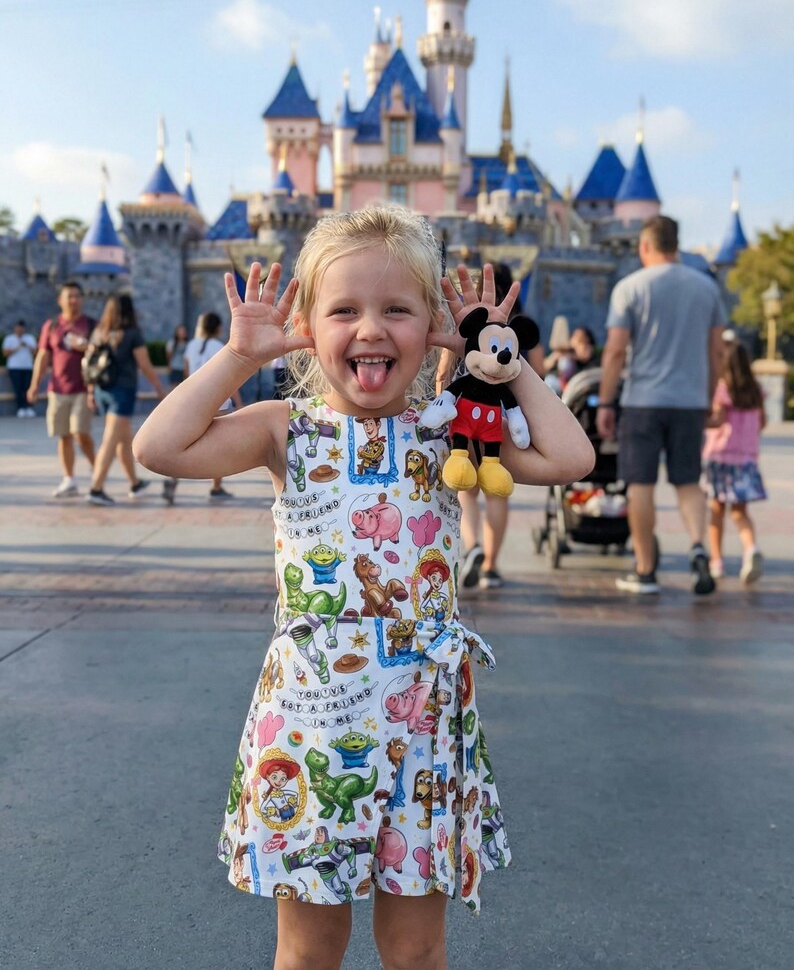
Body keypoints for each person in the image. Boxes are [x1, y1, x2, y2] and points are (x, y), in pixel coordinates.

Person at [133, 206, 593, 970]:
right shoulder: (285, 427)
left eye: (399, 309)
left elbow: (571, 457)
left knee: (415, 948)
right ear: (307, 326)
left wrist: (498, 355)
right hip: (311, 724)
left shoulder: (449, 430)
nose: (371, 328)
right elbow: (158, 446)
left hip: (424, 725)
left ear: (434, 325)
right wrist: (238, 357)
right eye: (344, 309)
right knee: (309, 949)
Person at [596, 215, 726, 595]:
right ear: (676, 244)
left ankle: (645, 569)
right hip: (690, 401)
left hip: (643, 402)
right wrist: (709, 398)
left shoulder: (630, 288)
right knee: (688, 481)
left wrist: (605, 402)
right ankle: (698, 547)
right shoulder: (707, 289)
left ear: (645, 246)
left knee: (641, 484)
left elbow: (615, 351)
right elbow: (717, 352)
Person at [439, 262, 545, 590]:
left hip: (463, 414)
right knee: (497, 492)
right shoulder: (519, 327)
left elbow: (443, 373)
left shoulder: (467, 324)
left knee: (467, 490)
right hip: (503, 418)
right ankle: (491, 566)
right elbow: (539, 374)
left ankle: (473, 546)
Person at [85, 292, 165, 507]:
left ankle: (135, 483)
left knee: (123, 439)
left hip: (102, 390)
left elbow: (91, 363)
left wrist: (91, 392)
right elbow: (144, 364)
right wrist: (159, 388)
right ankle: (96, 489)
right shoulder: (132, 333)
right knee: (110, 441)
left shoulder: (99, 332)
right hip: (122, 392)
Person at [703, 341, 766, 584]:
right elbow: (762, 422)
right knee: (740, 512)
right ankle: (750, 549)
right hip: (747, 459)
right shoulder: (756, 391)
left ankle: (716, 561)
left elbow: (717, 421)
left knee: (716, 511)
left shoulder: (722, 390)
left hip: (721, 456)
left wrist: (699, 422)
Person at [27, 280, 96, 497]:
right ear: (60, 300)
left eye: (77, 296)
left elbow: (102, 352)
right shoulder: (52, 326)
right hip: (57, 389)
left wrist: (86, 346)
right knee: (63, 435)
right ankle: (69, 479)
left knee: (80, 432)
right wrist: (34, 385)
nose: (74, 300)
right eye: (69, 296)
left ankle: (97, 468)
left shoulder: (91, 325)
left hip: (83, 388)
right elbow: (43, 356)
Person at [175, 312, 241, 502]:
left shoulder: (191, 346)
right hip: (219, 403)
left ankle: (172, 480)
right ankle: (216, 486)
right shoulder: (219, 347)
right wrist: (239, 403)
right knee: (220, 447)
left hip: (195, 402)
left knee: (183, 444)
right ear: (218, 328)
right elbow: (229, 378)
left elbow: (186, 374)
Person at [544, 326, 599, 393]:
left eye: (581, 340)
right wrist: (557, 357)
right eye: (575, 336)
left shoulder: (589, 353)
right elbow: (545, 366)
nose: (576, 340)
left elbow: (585, 358)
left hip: (581, 386)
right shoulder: (565, 353)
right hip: (563, 387)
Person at [3, 319, 37, 417]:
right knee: (18, 388)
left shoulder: (29, 338)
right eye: (18, 328)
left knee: (27, 388)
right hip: (15, 367)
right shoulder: (9, 339)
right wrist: (17, 347)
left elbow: (35, 352)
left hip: (27, 367)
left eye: (21, 328)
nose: (19, 330)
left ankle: (29, 407)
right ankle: (20, 408)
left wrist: (27, 346)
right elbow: (5, 353)